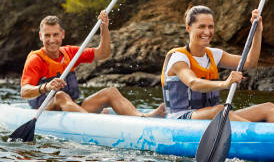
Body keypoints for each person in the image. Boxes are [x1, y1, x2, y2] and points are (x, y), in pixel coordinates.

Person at [20, 11, 165, 118]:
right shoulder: (35, 59)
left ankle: (142, 118)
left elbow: (103, 53)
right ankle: (95, 123)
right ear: (41, 36)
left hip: (72, 109)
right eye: (47, 35)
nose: (52, 40)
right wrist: (47, 86)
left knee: (111, 92)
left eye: (55, 35)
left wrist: (104, 29)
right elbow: (24, 91)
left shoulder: (71, 53)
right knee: (60, 96)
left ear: (62, 34)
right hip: (44, 111)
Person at [161, 5, 274, 122]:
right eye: (201, 26)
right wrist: (225, 83)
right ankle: (265, 136)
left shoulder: (214, 54)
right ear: (188, 28)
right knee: (221, 110)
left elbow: (250, 63)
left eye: (210, 26)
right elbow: (193, 83)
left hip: (213, 116)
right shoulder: (178, 57)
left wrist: (257, 31)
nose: (207, 32)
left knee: (268, 108)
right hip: (181, 118)